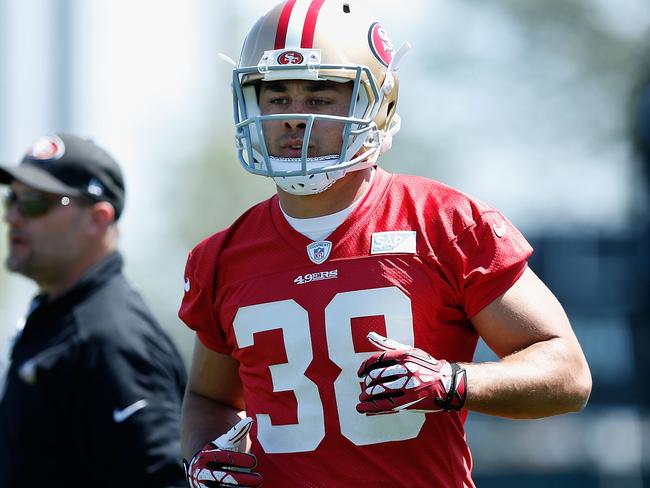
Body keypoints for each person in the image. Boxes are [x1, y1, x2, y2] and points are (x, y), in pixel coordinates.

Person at [179, 1, 592, 487]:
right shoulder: (223, 257)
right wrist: (206, 460)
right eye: (276, 95)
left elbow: (567, 372)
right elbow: (210, 401)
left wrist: (454, 382)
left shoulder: (445, 224)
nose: (293, 118)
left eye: (319, 96)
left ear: (376, 103)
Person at [0, 133, 187, 487]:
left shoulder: (112, 337)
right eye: (12, 199)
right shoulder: (59, 318)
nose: (12, 217)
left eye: (35, 203)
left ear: (97, 220)